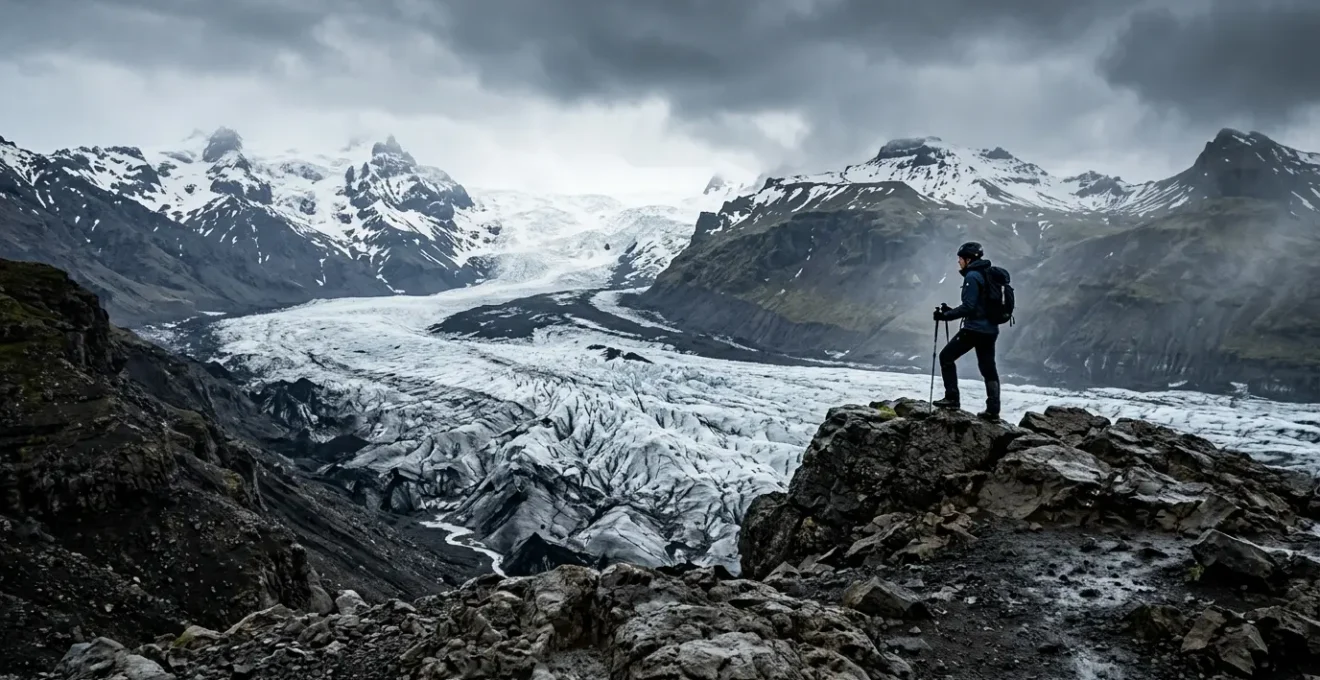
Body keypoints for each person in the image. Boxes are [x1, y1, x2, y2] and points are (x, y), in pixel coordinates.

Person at [932, 242, 1000, 419]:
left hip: (974, 330)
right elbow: (979, 305)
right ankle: (993, 410)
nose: (959, 262)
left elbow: (969, 307)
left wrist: (945, 316)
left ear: (968, 259)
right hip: (991, 330)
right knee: (988, 368)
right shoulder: (987, 274)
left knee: (946, 357)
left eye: (960, 259)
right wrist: (951, 311)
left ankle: (952, 398)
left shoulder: (972, 276)